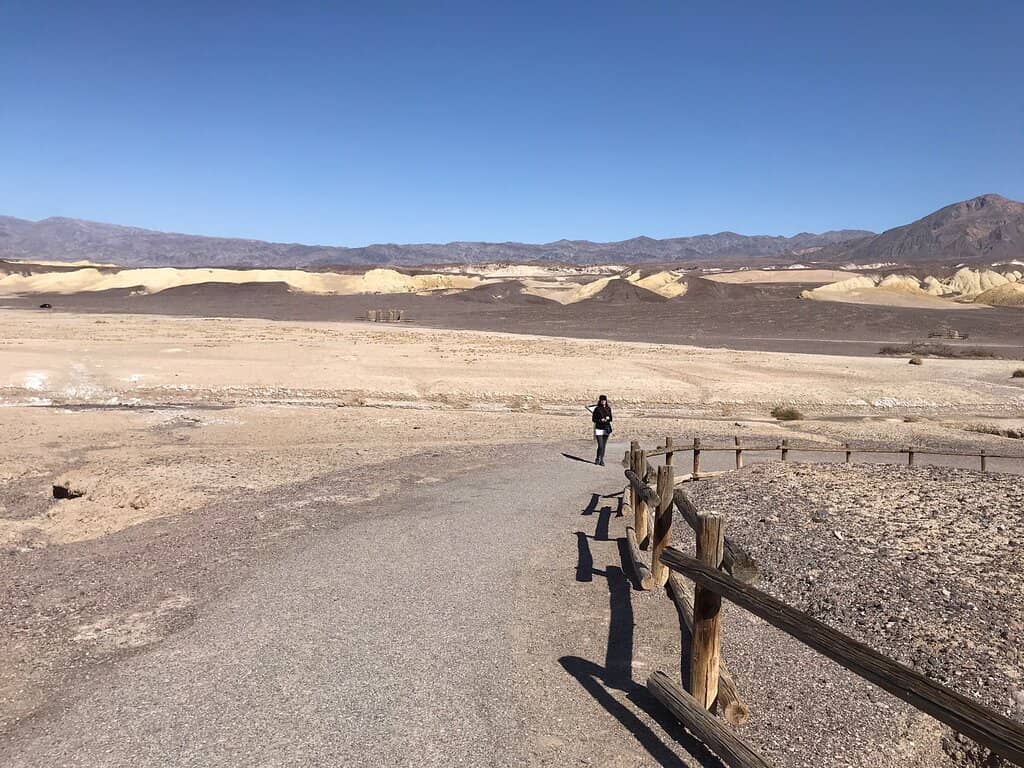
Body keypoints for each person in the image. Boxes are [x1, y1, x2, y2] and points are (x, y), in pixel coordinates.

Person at [591, 394, 613, 465]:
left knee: (603, 445)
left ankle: (601, 460)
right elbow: (593, 419)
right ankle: (597, 458)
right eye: (602, 400)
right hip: (599, 429)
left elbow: (611, 418)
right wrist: (600, 420)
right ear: (600, 401)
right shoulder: (597, 409)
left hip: (606, 429)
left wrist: (608, 418)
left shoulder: (608, 408)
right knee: (600, 445)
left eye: (604, 400)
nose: (603, 402)